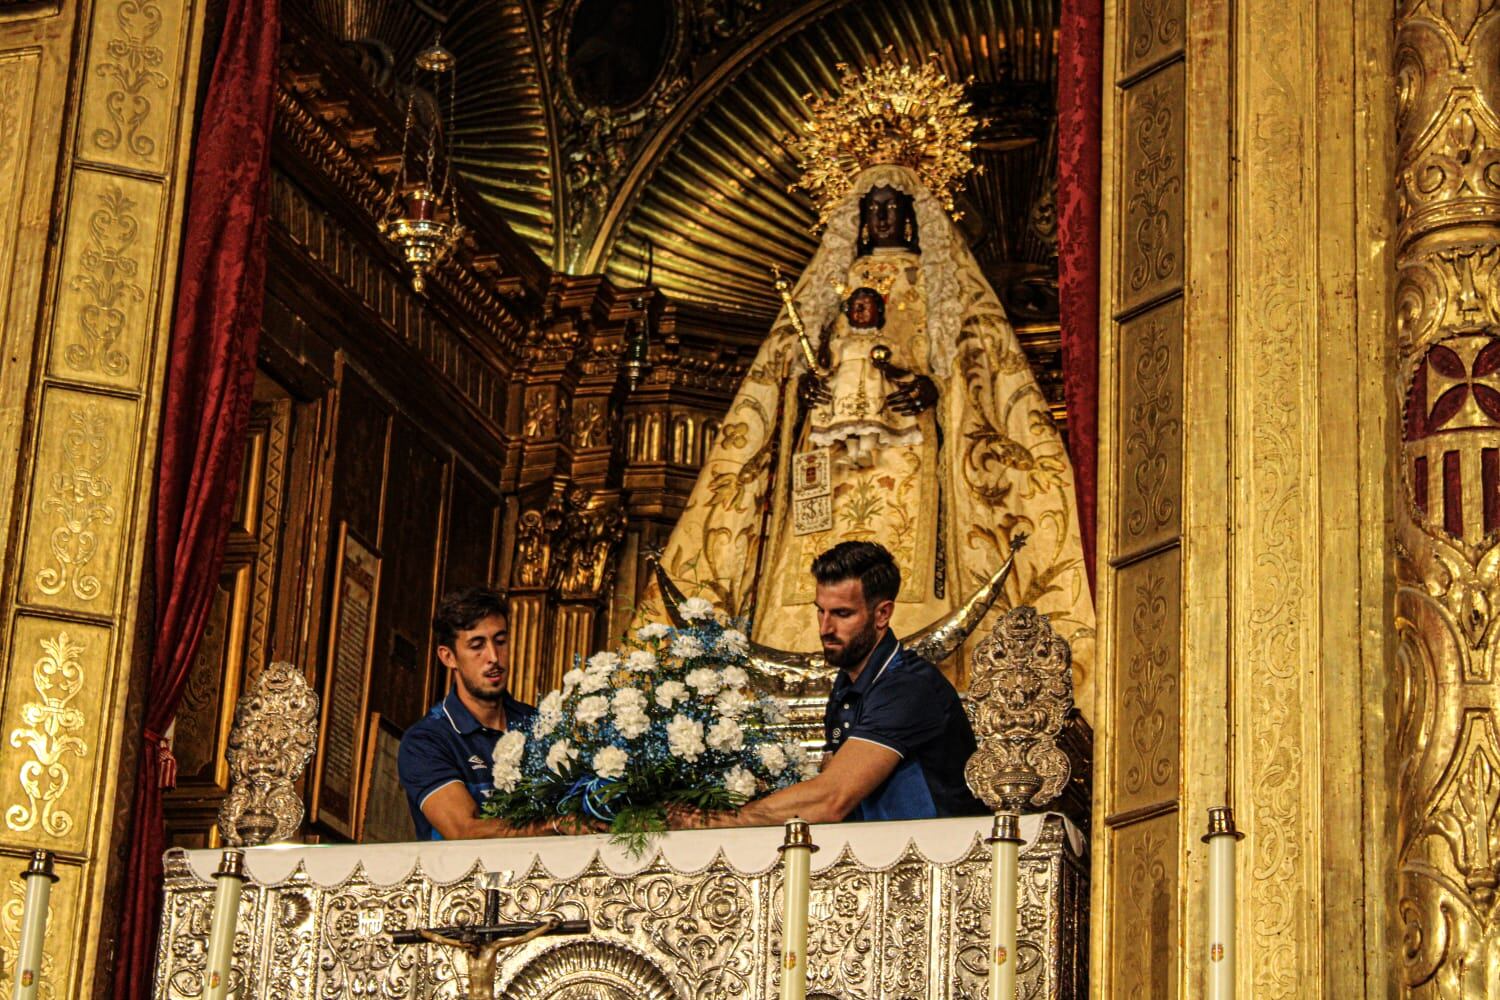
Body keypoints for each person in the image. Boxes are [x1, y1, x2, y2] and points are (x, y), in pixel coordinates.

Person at [641, 158, 1094, 702]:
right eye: (871, 208)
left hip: (908, 453)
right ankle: (801, 650)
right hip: (828, 460)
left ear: (911, 217)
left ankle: (909, 652)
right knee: (811, 555)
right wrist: (800, 395)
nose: (881, 217)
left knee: (911, 557)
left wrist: (934, 391)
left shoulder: (937, 286)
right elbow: (782, 377)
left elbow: (968, 368)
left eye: (893, 208)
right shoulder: (829, 290)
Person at [672, 541, 986, 828]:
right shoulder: (847, 684)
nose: (825, 628)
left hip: (939, 866)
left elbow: (832, 798)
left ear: (882, 614)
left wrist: (716, 821)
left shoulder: (907, 687)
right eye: (820, 611)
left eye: (842, 614)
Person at [398, 587, 545, 840]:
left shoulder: (540, 725)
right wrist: (554, 826)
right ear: (448, 657)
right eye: (477, 645)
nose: (494, 657)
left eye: (500, 641)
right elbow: (465, 831)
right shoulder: (426, 741)